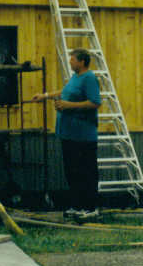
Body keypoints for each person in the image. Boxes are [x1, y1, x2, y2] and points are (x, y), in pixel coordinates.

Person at [31, 49, 101, 220]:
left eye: (73, 60)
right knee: (72, 171)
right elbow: (65, 92)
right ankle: (77, 205)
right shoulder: (75, 78)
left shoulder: (89, 78)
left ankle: (90, 207)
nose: (70, 62)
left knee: (86, 171)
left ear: (82, 62)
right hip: (69, 134)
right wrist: (45, 96)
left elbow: (95, 102)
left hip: (83, 135)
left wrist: (68, 106)